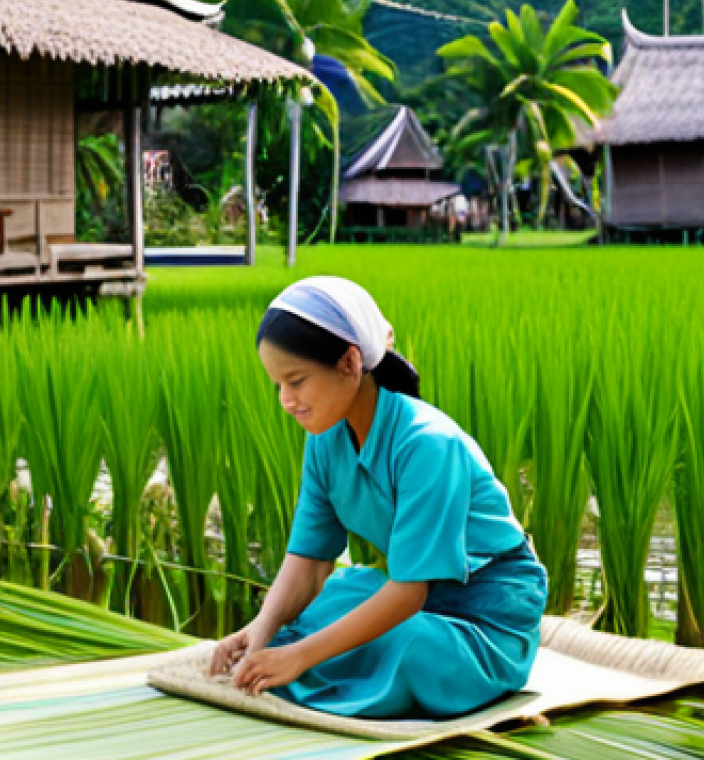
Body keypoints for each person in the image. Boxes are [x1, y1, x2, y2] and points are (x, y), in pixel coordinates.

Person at [209, 276, 547, 719]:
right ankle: (302, 659)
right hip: (421, 600)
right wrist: (259, 632)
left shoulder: (428, 443)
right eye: (278, 385)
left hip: (485, 618)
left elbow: (407, 594)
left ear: (349, 362)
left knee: (405, 644)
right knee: (331, 601)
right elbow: (309, 561)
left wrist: (298, 657)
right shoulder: (325, 439)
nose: (286, 401)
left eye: (296, 381)